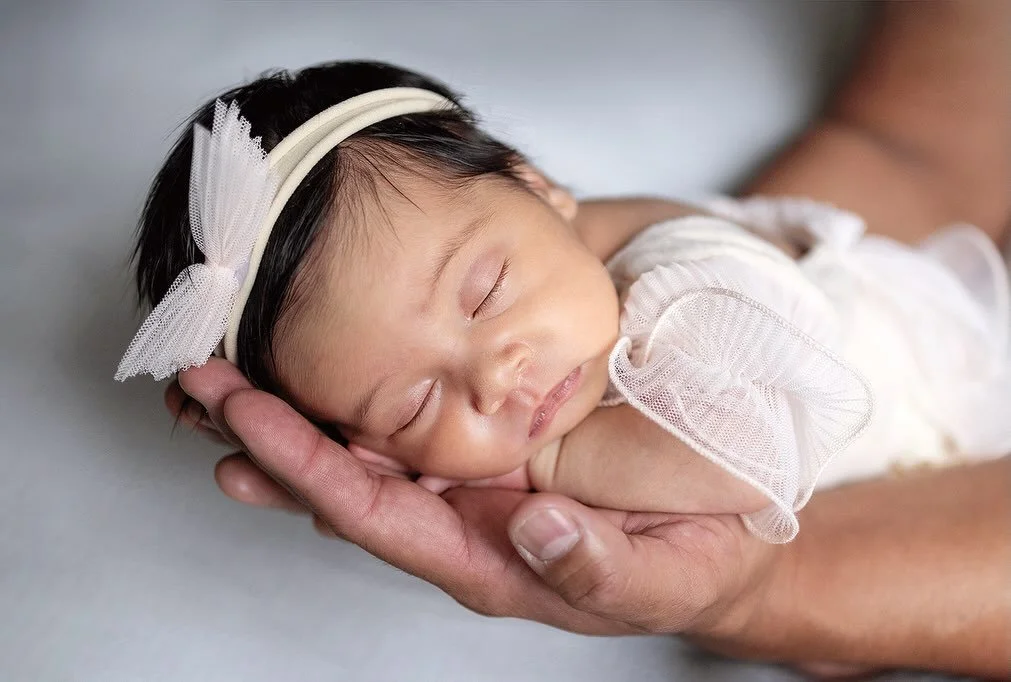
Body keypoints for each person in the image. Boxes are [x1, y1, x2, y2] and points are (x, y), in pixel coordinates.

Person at [160, 0, 1008, 677]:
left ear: (541, 187)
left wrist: (531, 467)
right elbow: (913, 145)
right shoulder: (564, 316)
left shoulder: (699, 278)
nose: (496, 376)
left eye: (486, 291)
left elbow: (735, 455)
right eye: (414, 401)